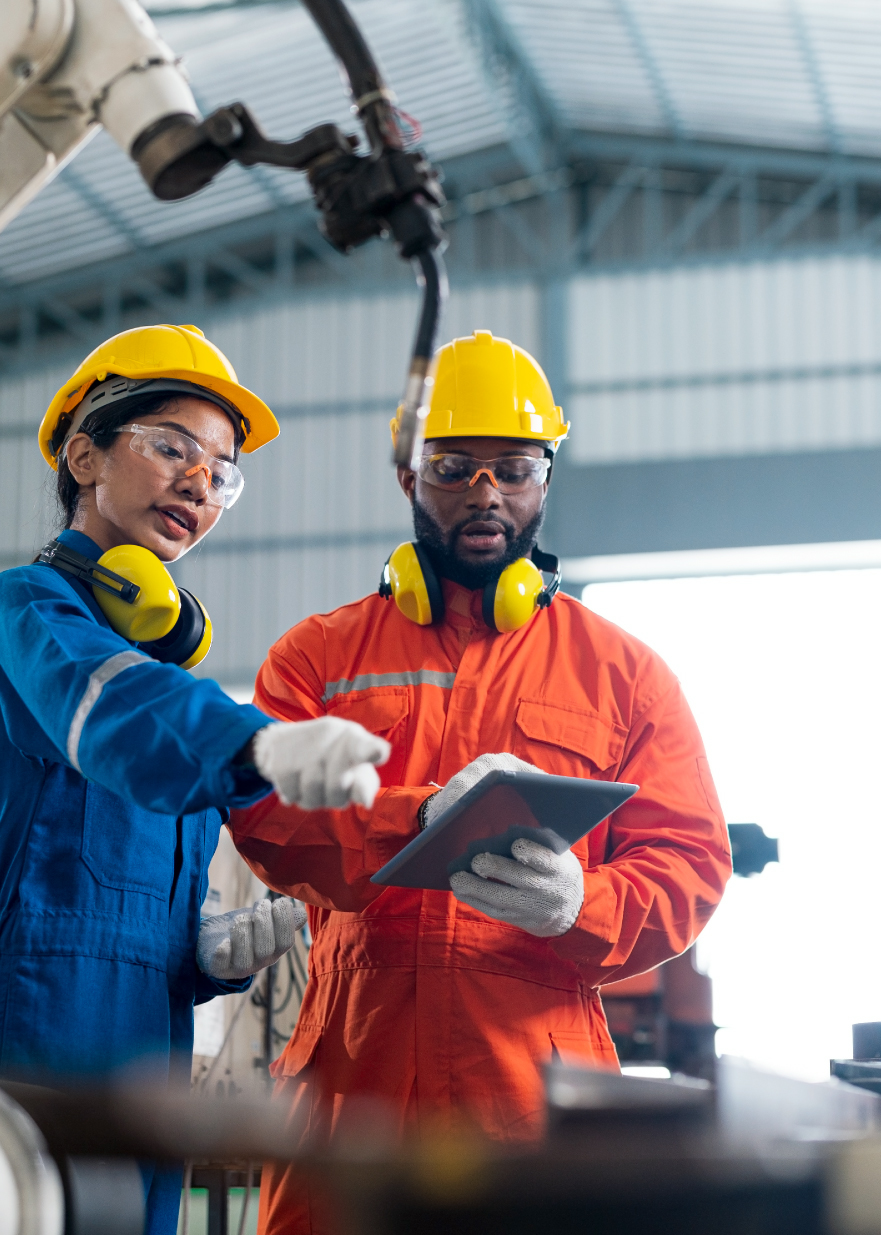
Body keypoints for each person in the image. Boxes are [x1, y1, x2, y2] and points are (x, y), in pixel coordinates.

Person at [228, 330, 733, 1234]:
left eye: (512, 468)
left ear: (546, 480)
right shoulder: (317, 657)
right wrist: (412, 819)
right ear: (407, 478)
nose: (485, 493)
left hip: (533, 1100)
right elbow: (265, 815)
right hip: (355, 1084)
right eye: (453, 468)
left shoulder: (624, 673)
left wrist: (582, 901)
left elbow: (689, 863)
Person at [0, 324, 389, 1235]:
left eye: (220, 472)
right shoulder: (27, 608)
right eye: (172, 448)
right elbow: (107, 718)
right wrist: (261, 744)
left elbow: (143, 878)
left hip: (149, 1033)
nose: (198, 483)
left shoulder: (173, 684)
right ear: (84, 453)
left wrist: (199, 956)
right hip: (32, 1022)